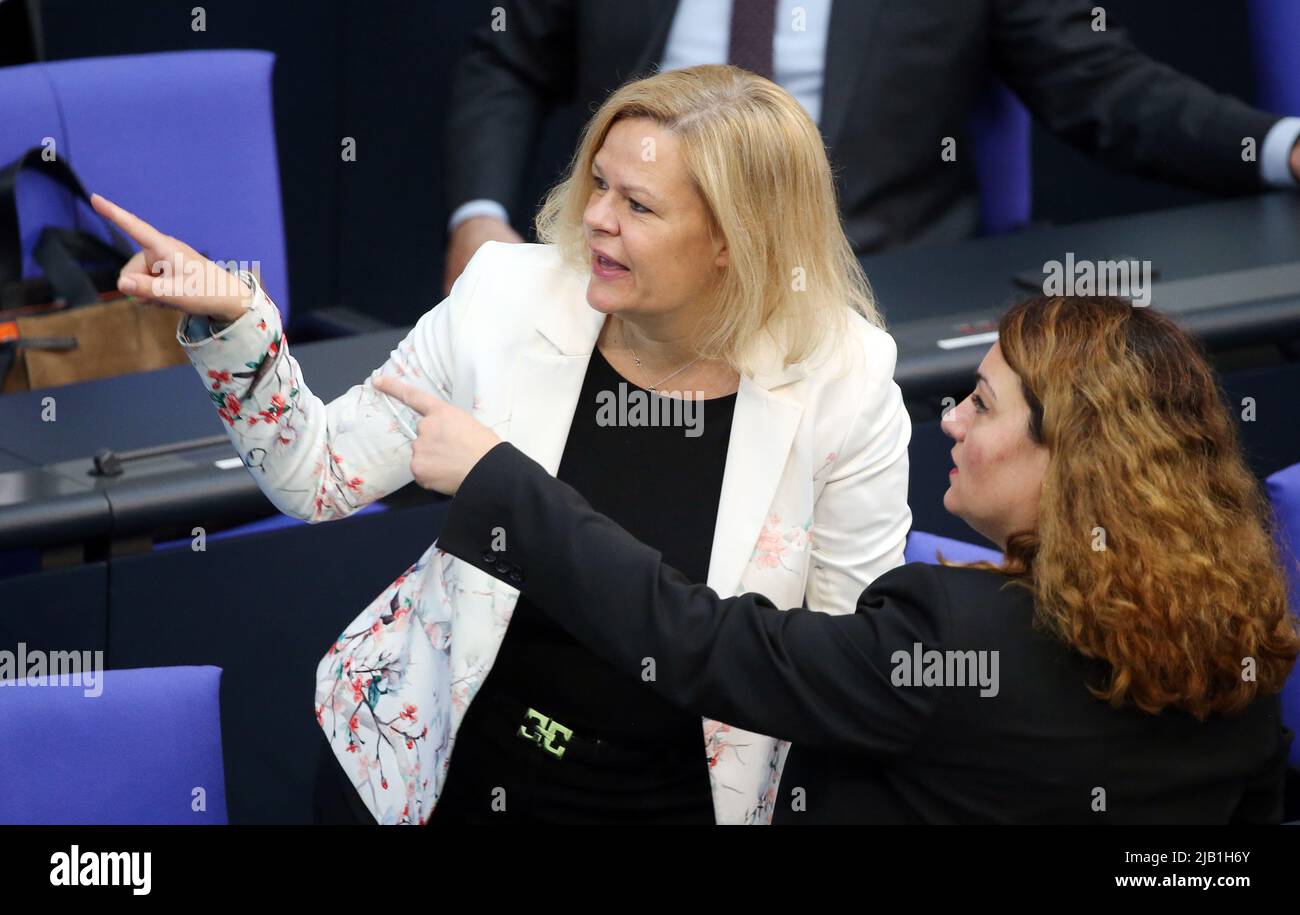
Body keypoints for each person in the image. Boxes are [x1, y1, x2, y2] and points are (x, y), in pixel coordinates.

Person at [89, 62, 912, 825]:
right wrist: (237, 323)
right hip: (442, 770)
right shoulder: (507, 297)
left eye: (638, 204)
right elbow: (317, 473)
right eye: (598, 182)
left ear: (735, 241)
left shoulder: (844, 381)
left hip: (672, 800)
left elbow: (844, 669)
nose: (595, 217)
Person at [381, 294, 1300, 823]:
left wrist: (506, 485)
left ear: (1073, 454)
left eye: (980, 403)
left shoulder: (951, 639)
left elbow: (703, 643)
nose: (951, 419)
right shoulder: (1237, 651)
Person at [443, 0, 1300, 295]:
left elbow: (1102, 85)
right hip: (626, 281)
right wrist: (479, 218)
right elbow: (507, 57)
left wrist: (1280, 147)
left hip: (864, 290)